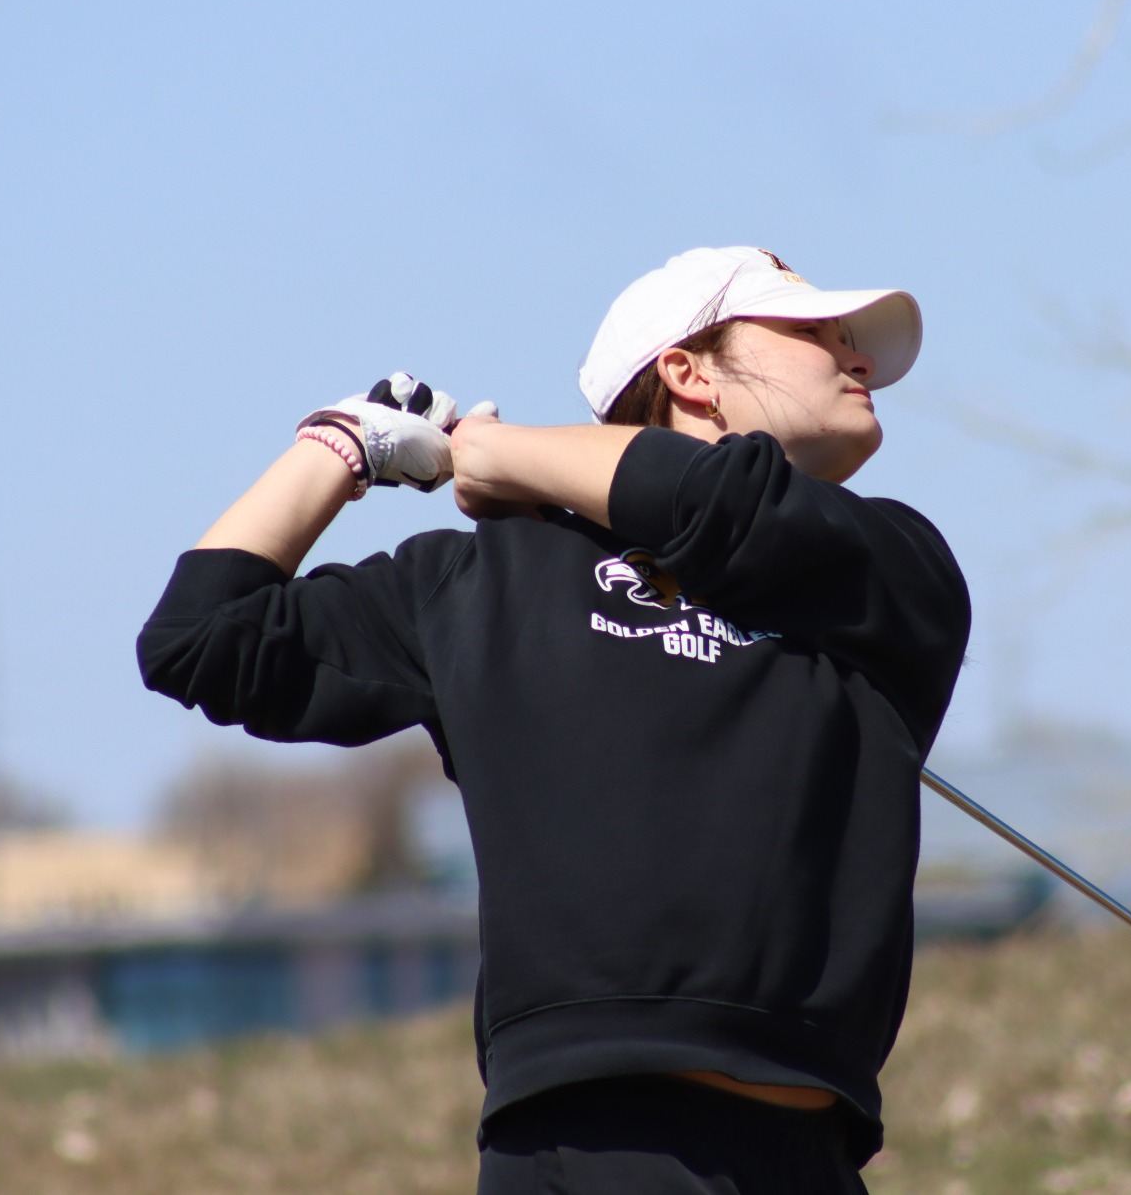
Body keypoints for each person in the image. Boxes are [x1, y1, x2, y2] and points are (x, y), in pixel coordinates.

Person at [138, 246, 971, 1193]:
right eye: (815, 332)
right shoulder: (489, 574)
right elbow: (200, 637)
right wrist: (341, 445)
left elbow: (723, 502)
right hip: (581, 1144)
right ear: (688, 372)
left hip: (805, 1157)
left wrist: (500, 450)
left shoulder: (889, 566)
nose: (856, 358)